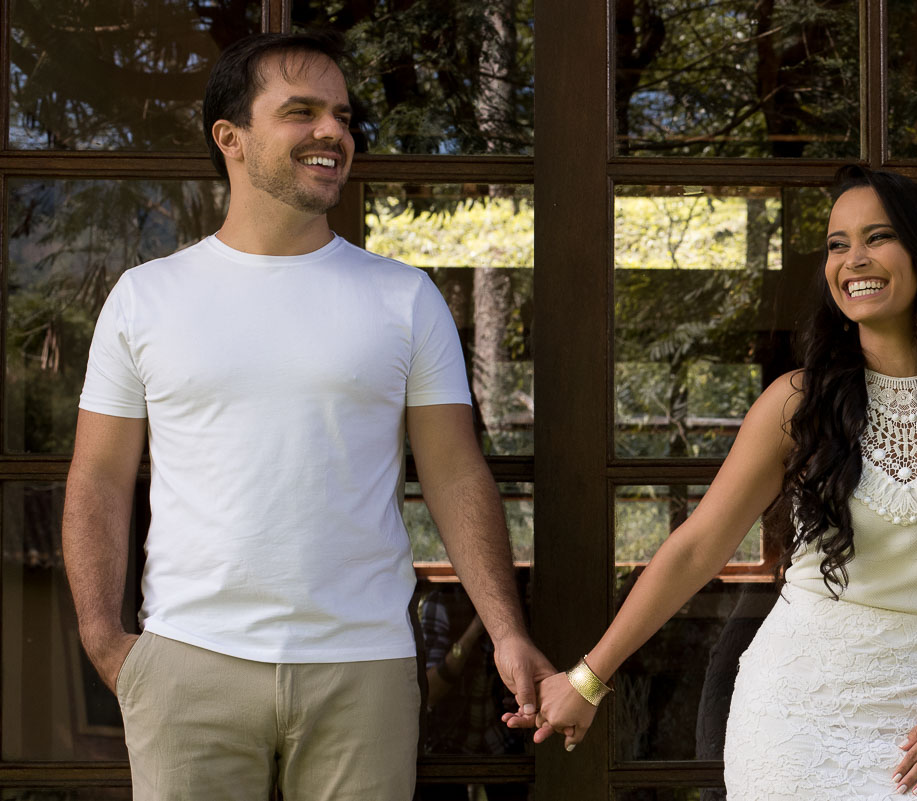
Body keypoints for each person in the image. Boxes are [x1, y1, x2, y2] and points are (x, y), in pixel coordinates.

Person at [61, 31, 551, 801]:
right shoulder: (146, 296)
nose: (333, 132)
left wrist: (507, 630)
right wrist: (104, 639)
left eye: (342, 115)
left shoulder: (405, 297)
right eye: (301, 112)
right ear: (231, 137)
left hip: (364, 669)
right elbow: (97, 477)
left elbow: (456, 472)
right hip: (191, 661)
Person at [516, 165, 917, 799]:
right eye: (836, 244)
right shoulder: (795, 403)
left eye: (877, 237)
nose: (854, 259)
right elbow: (697, 547)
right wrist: (588, 679)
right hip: (796, 724)